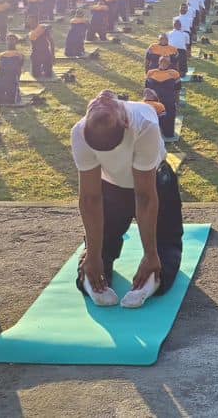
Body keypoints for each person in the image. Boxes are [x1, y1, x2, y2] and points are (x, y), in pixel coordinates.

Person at [71, 91, 184, 308]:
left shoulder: (145, 122)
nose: (100, 97)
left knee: (164, 252)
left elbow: (145, 195)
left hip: (155, 183)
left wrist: (150, 254)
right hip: (112, 187)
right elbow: (90, 198)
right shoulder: (80, 132)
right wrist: (93, 256)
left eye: (100, 104)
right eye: (96, 106)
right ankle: (92, 281)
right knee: (96, 253)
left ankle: (150, 283)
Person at [145, 57, 183, 139]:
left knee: (169, 122)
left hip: (168, 99)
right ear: (158, 62)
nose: (164, 63)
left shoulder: (174, 73)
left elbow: (177, 89)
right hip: (154, 101)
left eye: (166, 62)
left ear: (169, 63)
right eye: (162, 61)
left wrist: (177, 101)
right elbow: (147, 88)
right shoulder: (151, 72)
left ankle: (168, 132)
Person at [0, 36, 26, 106]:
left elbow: (0, 70)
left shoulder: (2, 55)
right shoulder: (20, 55)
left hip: (3, 78)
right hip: (12, 78)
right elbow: (20, 67)